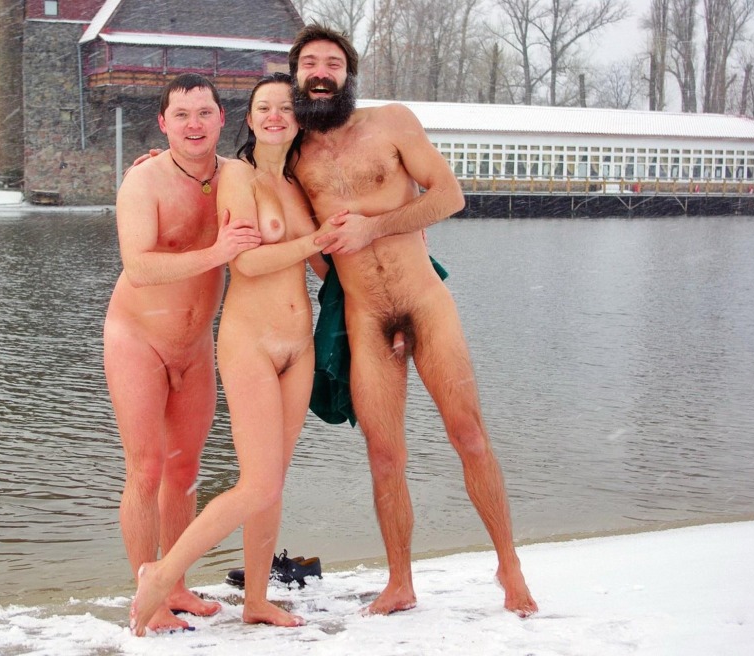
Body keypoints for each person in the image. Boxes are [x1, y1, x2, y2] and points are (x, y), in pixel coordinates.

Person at [288, 24, 539, 618]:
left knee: (468, 435)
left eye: (332, 63)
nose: (321, 72)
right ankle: (400, 582)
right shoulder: (292, 154)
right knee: (384, 456)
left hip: (425, 302)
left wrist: (373, 228)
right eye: (310, 63)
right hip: (366, 317)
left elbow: (449, 195)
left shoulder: (391, 122)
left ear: (348, 75)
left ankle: (509, 566)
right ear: (296, 75)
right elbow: (249, 189)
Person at [129, 73, 337, 636]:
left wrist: (382, 241)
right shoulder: (238, 176)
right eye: (263, 107)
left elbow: (326, 268)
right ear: (247, 119)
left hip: (299, 345)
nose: (274, 116)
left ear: (299, 117)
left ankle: (257, 599)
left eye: (285, 107)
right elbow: (245, 261)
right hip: (251, 341)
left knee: (274, 481)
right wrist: (316, 240)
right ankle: (160, 575)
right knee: (256, 483)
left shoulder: (300, 182)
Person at [103, 73, 264, 633]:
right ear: (162, 123)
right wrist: (218, 251)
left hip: (195, 347)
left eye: (203, 113)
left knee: (185, 469)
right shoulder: (144, 180)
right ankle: (147, 597)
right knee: (146, 469)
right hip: (137, 338)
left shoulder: (237, 176)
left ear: (222, 119)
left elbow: (292, 176)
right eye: (181, 114)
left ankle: (175, 583)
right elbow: (139, 267)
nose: (193, 125)